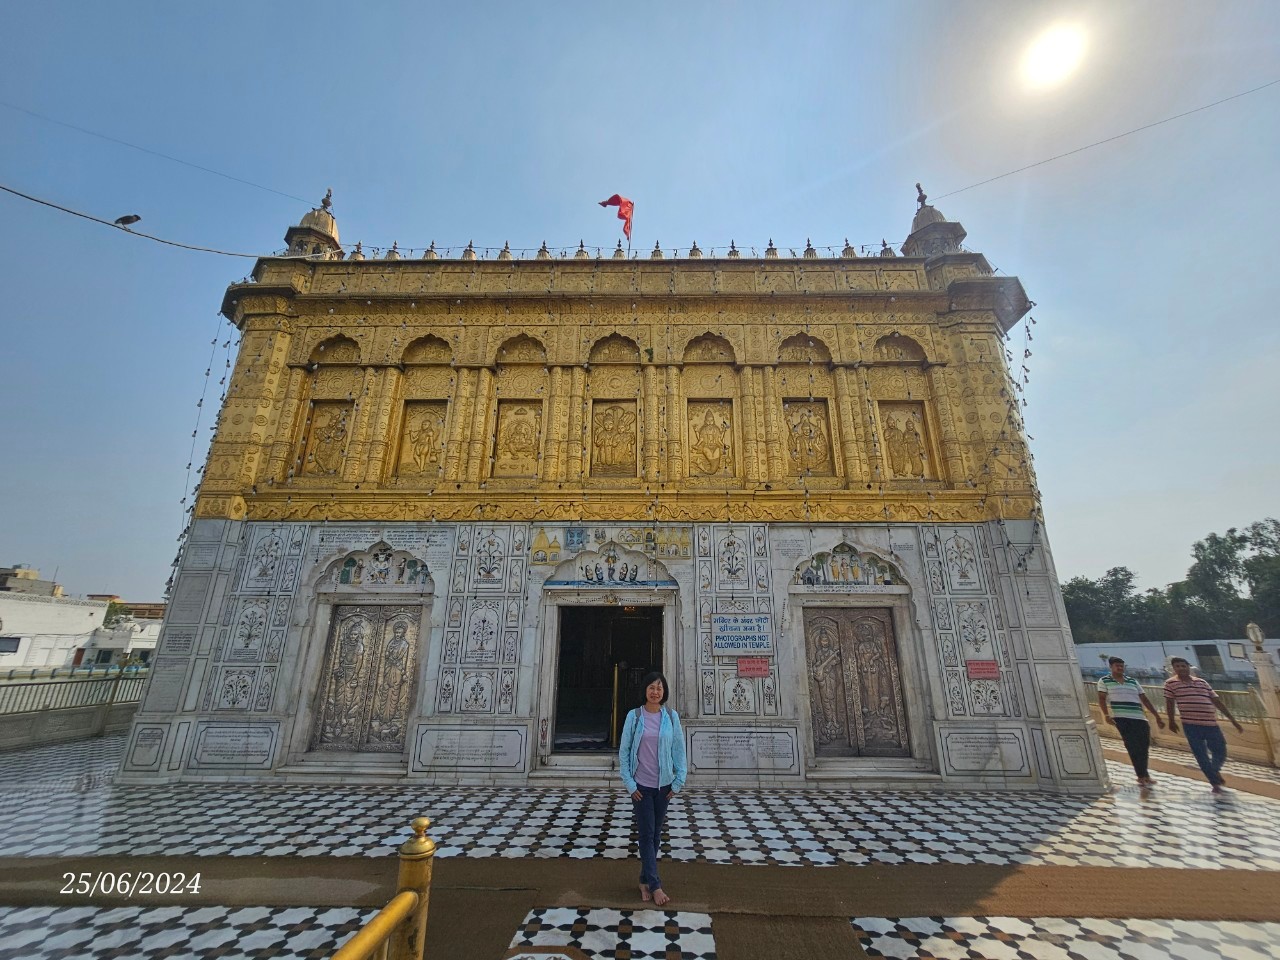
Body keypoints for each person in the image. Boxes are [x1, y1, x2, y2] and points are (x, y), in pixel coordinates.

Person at [618, 670, 687, 906]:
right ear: (645, 690)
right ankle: (655, 885)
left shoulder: (671, 717)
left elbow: (679, 749)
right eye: (651, 687)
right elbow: (624, 751)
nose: (655, 692)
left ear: (664, 691)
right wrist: (629, 784)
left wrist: (678, 781)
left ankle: (643, 879)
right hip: (641, 787)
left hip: (663, 787)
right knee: (647, 834)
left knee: (655, 834)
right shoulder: (634, 716)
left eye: (659, 688)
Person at [1164, 657, 1244, 793]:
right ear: (1174, 669)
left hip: (1210, 723)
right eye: (1177, 666)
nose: (1181, 668)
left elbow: (1217, 701)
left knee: (1221, 750)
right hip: (1191, 725)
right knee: (1201, 754)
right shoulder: (1170, 684)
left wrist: (1233, 720)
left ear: (1188, 667)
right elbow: (1169, 703)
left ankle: (1214, 770)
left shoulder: (1202, 682)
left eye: (1183, 666)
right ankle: (1215, 782)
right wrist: (1171, 721)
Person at [1096, 657, 1164, 786]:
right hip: (1121, 718)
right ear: (1111, 667)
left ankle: (1144, 774)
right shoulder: (1104, 681)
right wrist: (1106, 715)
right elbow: (1101, 699)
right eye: (1117, 666)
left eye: (1122, 666)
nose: (1120, 668)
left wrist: (1157, 716)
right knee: (1132, 746)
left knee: (1143, 746)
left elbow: (1144, 699)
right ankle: (1141, 776)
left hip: (1139, 717)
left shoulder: (1132, 681)